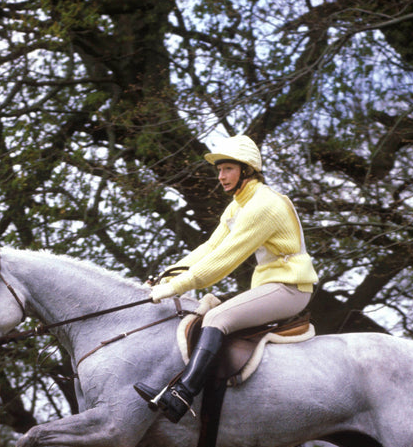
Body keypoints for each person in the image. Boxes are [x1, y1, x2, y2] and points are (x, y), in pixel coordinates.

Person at [134, 134, 318, 423]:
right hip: (271, 285)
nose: (221, 176)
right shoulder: (239, 204)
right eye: (219, 170)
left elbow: (222, 263)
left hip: (290, 289)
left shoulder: (262, 206)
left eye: (228, 169)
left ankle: (184, 393)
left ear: (247, 170)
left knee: (217, 318)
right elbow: (210, 248)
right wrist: (165, 277)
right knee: (203, 307)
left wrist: (174, 288)